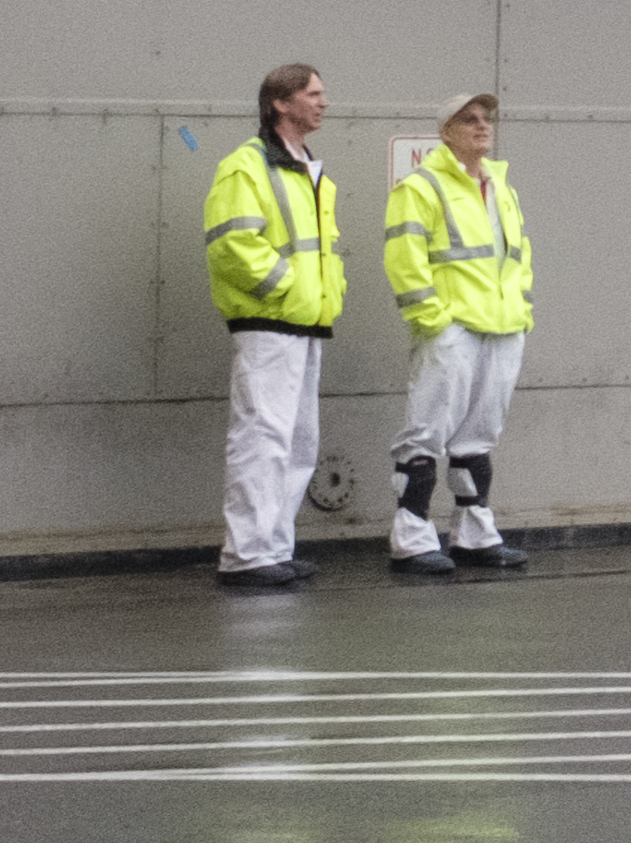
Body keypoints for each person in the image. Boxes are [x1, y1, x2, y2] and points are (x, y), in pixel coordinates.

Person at [200, 64, 346, 590]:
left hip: (303, 322)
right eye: (313, 93)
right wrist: (290, 290)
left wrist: (319, 297)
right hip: (270, 323)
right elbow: (233, 245)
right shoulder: (247, 166)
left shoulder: (308, 169)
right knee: (262, 436)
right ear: (281, 103)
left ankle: (272, 548)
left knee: (297, 441)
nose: (324, 102)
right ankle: (246, 555)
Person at [380, 91, 537, 579]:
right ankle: (410, 538)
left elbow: (518, 257)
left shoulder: (501, 186)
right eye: (468, 119)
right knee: (425, 432)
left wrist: (521, 308)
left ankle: (474, 535)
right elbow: (404, 259)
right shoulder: (422, 186)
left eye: (485, 118)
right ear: (445, 131)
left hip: (503, 327)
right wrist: (433, 320)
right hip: (453, 329)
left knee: (478, 437)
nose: (481, 126)